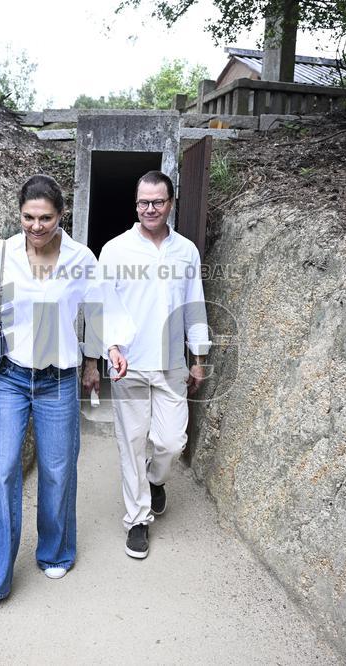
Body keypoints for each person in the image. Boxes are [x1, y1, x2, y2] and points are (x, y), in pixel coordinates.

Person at [0, 174, 131, 608]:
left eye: (45, 218)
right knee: (0, 470)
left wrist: (108, 349)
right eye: (28, 217)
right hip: (11, 378)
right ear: (19, 214)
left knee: (57, 470)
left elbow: (101, 309)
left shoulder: (80, 258)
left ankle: (54, 550)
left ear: (61, 215)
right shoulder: (0, 254)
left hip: (58, 381)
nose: (36, 226)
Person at [87, 170, 210, 559]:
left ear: (171, 202)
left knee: (171, 441)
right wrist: (104, 352)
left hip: (173, 363)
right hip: (130, 366)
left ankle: (156, 480)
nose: (150, 208)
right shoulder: (116, 250)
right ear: (136, 204)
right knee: (131, 442)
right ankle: (137, 520)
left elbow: (195, 305)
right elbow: (101, 307)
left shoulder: (186, 251)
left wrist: (199, 357)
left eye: (158, 201)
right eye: (143, 202)